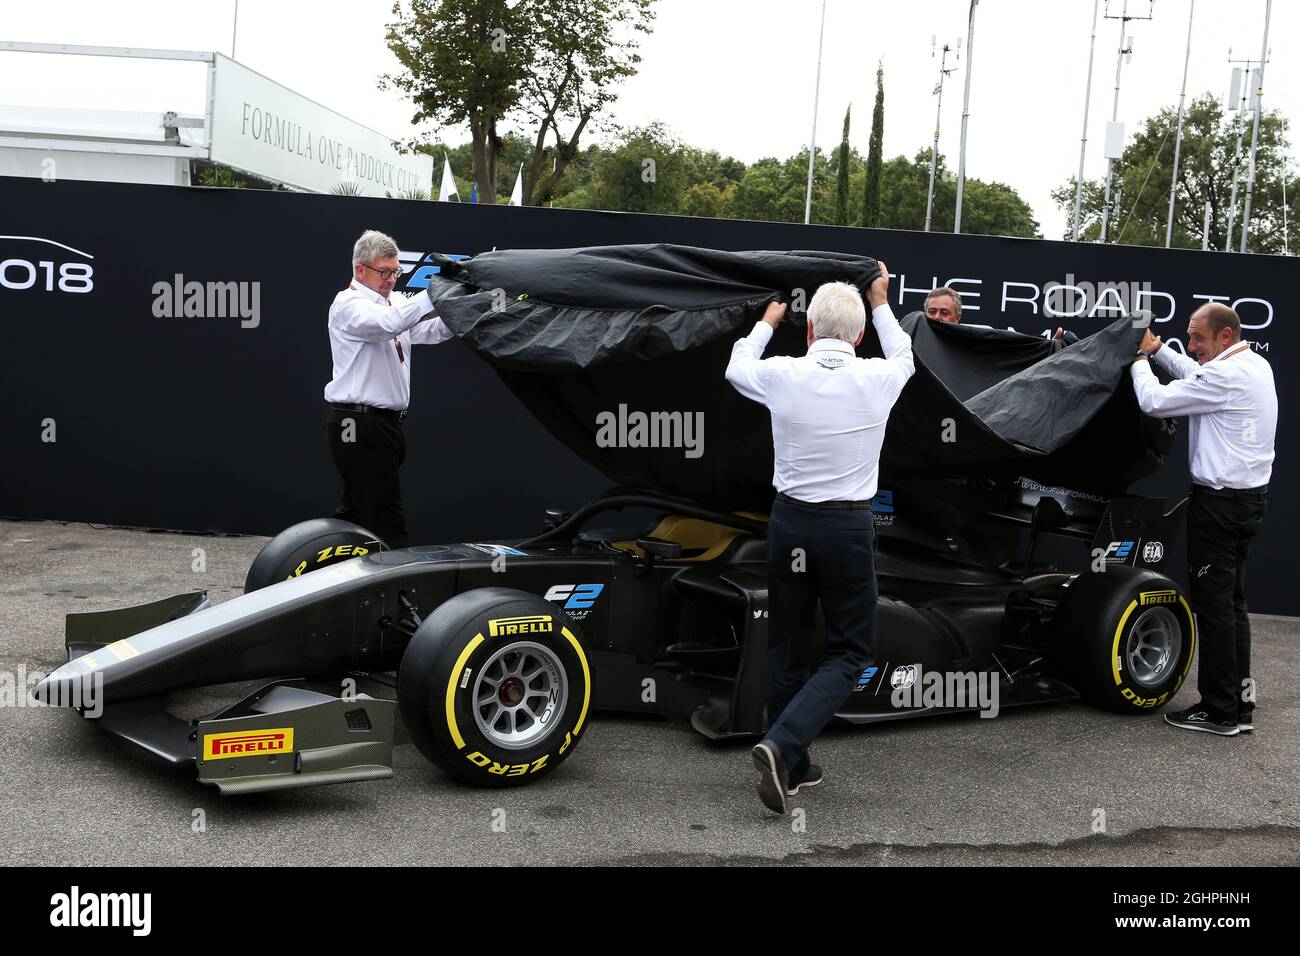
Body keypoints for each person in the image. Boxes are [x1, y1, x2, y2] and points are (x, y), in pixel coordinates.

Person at [724, 264, 914, 814]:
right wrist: (881, 300)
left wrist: (764, 324)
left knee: (788, 644)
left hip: (790, 525)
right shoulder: (880, 376)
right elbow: (905, 354)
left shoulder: (781, 372)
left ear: (809, 332)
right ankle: (785, 749)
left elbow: (736, 369)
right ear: (858, 336)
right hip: (848, 529)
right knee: (851, 651)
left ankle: (796, 765)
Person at [1130, 303, 1277, 736]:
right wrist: (1159, 351)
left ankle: (1219, 711)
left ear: (1225, 336)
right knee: (1233, 605)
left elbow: (1154, 401)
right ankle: (1239, 703)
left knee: (1214, 609)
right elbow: (1196, 375)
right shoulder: (1253, 364)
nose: (1190, 346)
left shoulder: (1226, 375)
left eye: (1197, 338)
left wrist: (1140, 360)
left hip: (1219, 506)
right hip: (1245, 502)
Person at [324, 229, 454, 548]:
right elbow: (388, 324)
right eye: (384, 272)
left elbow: (431, 331)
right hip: (358, 425)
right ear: (360, 270)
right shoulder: (348, 303)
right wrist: (434, 291)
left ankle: (322, 577)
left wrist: (462, 303)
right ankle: (396, 592)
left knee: (357, 516)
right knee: (386, 522)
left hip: (385, 426)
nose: (391, 279)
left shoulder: (395, 302)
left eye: (395, 271)